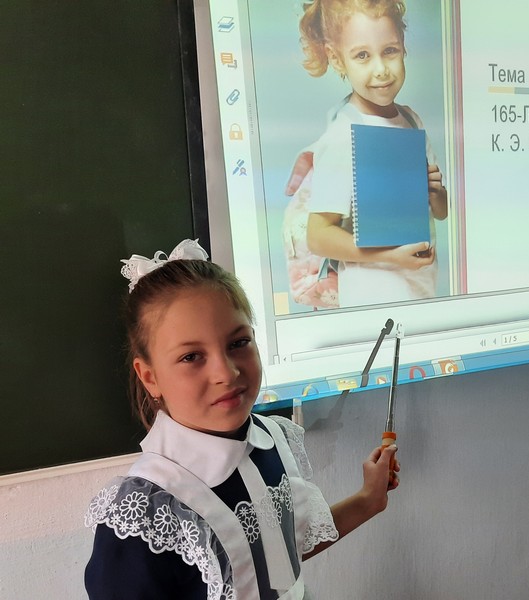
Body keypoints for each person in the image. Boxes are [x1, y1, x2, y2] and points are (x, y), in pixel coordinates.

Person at [84, 239, 399, 599]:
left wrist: (369, 499)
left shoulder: (271, 440)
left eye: (238, 343)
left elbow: (279, 562)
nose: (227, 372)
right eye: (191, 357)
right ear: (150, 377)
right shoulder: (145, 513)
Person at [297, 0, 448, 308]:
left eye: (389, 50)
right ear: (337, 59)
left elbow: (441, 212)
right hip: (373, 300)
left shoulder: (411, 121)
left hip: (421, 290)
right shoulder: (343, 134)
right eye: (362, 55)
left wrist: (435, 193)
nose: (381, 69)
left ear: (403, 45)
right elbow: (318, 236)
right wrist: (390, 255)